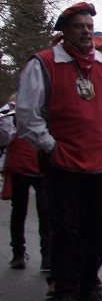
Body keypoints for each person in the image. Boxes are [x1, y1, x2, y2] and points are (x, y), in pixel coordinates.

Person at [16, 2, 102, 301]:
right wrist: (50, 146)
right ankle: (66, 290)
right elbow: (28, 116)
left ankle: (88, 284)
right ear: (65, 31)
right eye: (79, 26)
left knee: (99, 226)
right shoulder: (43, 64)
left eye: (89, 26)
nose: (86, 31)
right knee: (66, 228)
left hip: (98, 160)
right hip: (62, 161)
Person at [1, 98, 51, 271]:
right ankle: (22, 254)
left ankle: (40, 255)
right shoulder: (11, 110)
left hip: (39, 165)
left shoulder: (13, 109)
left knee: (40, 212)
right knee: (25, 211)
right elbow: (4, 137)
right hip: (27, 166)